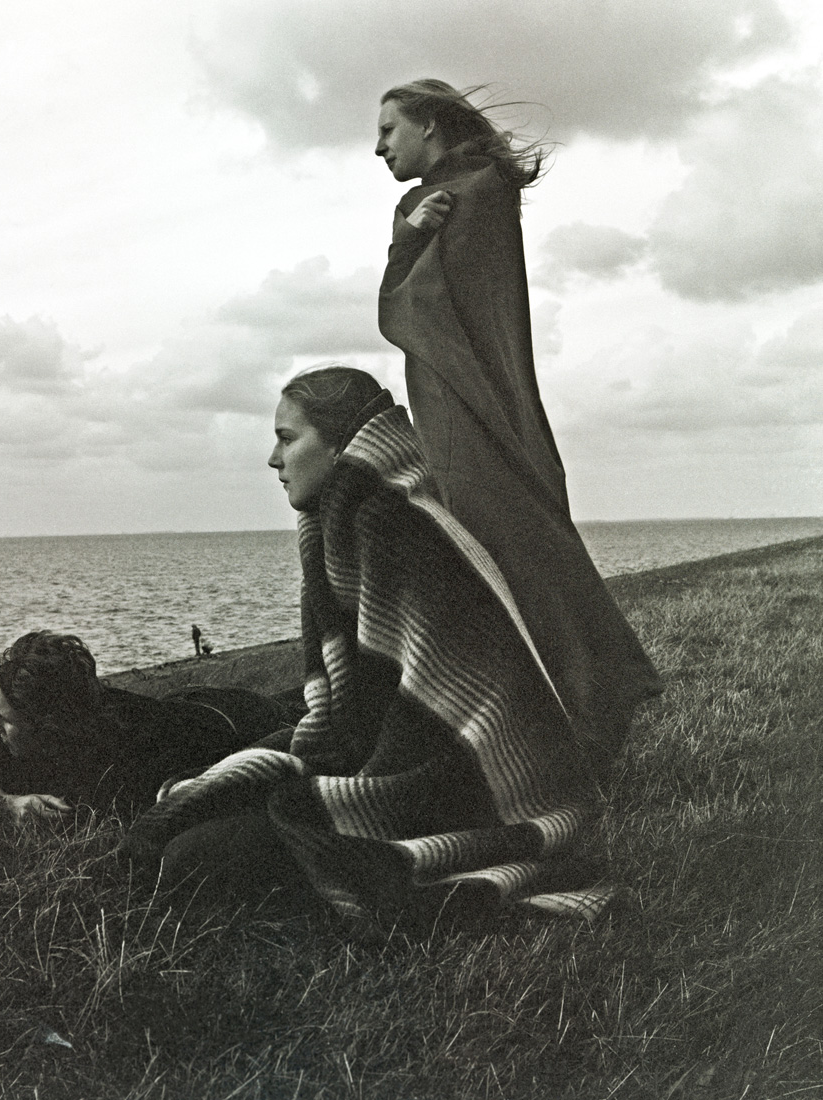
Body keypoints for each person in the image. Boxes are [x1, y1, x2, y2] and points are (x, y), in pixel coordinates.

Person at [120, 365, 616, 938]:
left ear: (340, 445)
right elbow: (356, 709)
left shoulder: (393, 524)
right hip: (400, 756)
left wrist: (328, 791)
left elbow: (417, 723)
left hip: (456, 784)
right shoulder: (348, 523)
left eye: (287, 438)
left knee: (193, 858)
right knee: (206, 799)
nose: (274, 460)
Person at [374, 79, 660, 766]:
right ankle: (569, 714)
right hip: (465, 397)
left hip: (464, 399)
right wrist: (408, 236)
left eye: (388, 130)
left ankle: (584, 712)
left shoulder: (470, 193)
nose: (378, 147)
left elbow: (408, 313)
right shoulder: (455, 194)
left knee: (506, 546)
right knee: (506, 546)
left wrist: (407, 241)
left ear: (429, 126)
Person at [0, 630, 295, 823]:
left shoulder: (120, 761)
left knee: (301, 705)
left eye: (5, 719)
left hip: (235, 716)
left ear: (50, 728)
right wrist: (3, 806)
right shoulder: (17, 741)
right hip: (186, 701)